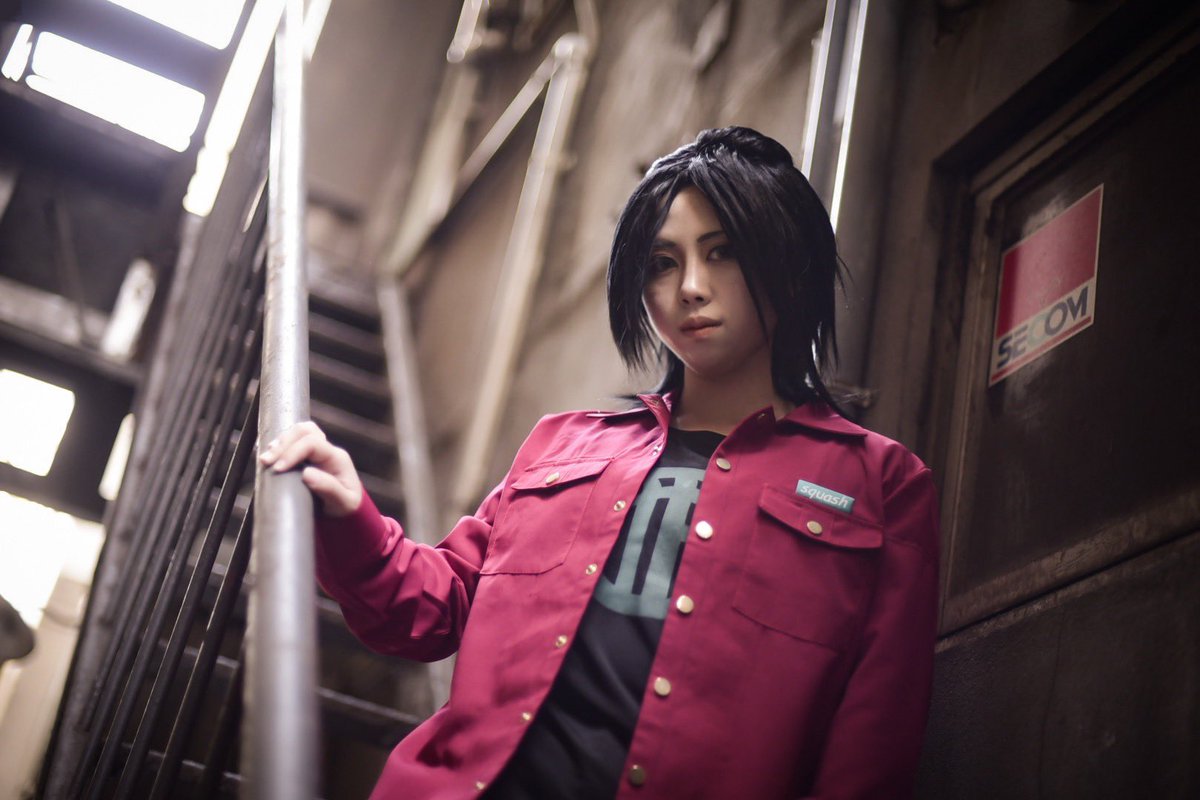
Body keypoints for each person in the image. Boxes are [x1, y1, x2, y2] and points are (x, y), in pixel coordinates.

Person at [260, 126, 939, 799]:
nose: (690, 287)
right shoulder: (563, 444)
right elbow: (435, 608)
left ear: (786, 260)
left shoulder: (883, 486)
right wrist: (350, 517)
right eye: (662, 263)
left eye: (723, 252)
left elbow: (871, 751)